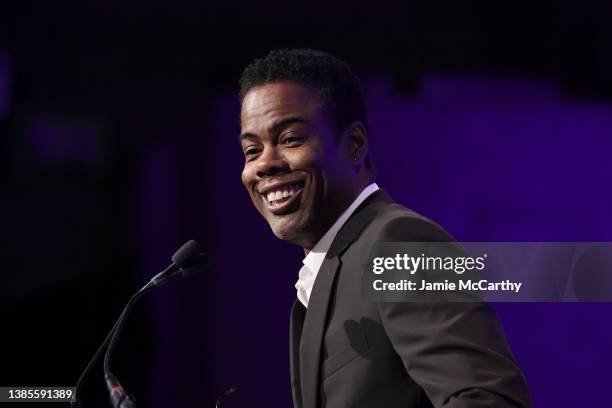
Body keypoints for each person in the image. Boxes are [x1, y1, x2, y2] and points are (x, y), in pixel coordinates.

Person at [238, 49, 531, 408]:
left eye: (291, 139)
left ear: (354, 145)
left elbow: (488, 400)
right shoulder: (334, 264)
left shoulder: (398, 244)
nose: (264, 164)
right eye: (252, 150)